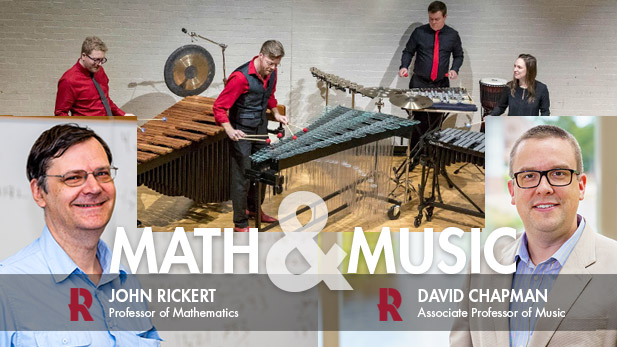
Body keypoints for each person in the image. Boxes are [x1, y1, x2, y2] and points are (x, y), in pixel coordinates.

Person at [450, 125, 617, 346]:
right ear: (512, 191)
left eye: (558, 173)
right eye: (529, 176)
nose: (543, 188)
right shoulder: (483, 263)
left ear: (581, 186)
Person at [0, 124, 160, 345]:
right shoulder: (8, 288)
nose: (94, 188)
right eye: (73, 177)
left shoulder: (126, 281)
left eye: (102, 173)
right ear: (39, 192)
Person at [213, 40, 288, 232]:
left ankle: (255, 210)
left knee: (262, 170)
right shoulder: (240, 78)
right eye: (270, 63)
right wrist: (229, 129)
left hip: (260, 128)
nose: (272, 68)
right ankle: (240, 222)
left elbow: (269, 94)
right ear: (261, 55)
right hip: (242, 131)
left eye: (276, 64)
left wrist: (276, 112)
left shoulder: (272, 72)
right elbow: (219, 107)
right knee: (243, 176)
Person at [398, 1, 464, 150]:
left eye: (437, 19)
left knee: (435, 122)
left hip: (440, 84)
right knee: (418, 121)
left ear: (445, 16)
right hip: (419, 82)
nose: (433, 22)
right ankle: (415, 154)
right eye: (431, 19)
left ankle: (432, 155)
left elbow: (459, 55)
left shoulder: (452, 35)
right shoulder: (419, 32)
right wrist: (404, 66)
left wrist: (455, 69)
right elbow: (408, 51)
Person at [55, 36, 135, 117]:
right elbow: (60, 113)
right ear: (84, 56)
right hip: (86, 128)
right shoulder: (69, 80)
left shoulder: (99, 71)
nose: (99, 64)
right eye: (96, 60)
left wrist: (122, 114)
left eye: (102, 60)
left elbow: (104, 100)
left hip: (107, 125)